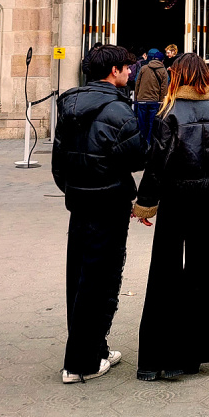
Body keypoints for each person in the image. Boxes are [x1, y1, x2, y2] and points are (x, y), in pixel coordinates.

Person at [133, 53, 209, 381]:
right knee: (200, 269)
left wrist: (145, 203)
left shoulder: (169, 111)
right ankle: (194, 353)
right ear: (205, 76)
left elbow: (156, 163)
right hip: (206, 197)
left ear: (177, 77)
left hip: (176, 197)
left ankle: (157, 358)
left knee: (164, 270)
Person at [51, 44, 146, 384]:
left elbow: (58, 161)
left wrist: (75, 188)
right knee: (101, 279)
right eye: (127, 67)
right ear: (114, 71)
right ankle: (83, 362)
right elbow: (136, 157)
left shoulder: (69, 104)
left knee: (78, 277)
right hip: (109, 203)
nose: (131, 72)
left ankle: (93, 348)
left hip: (79, 202)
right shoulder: (118, 110)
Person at [133, 49, 169, 150]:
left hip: (141, 100)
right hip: (155, 101)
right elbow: (164, 89)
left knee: (141, 123)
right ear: (162, 61)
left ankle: (140, 144)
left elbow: (137, 84)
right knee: (152, 124)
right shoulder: (163, 71)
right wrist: (161, 101)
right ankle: (150, 145)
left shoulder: (144, 68)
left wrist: (136, 98)